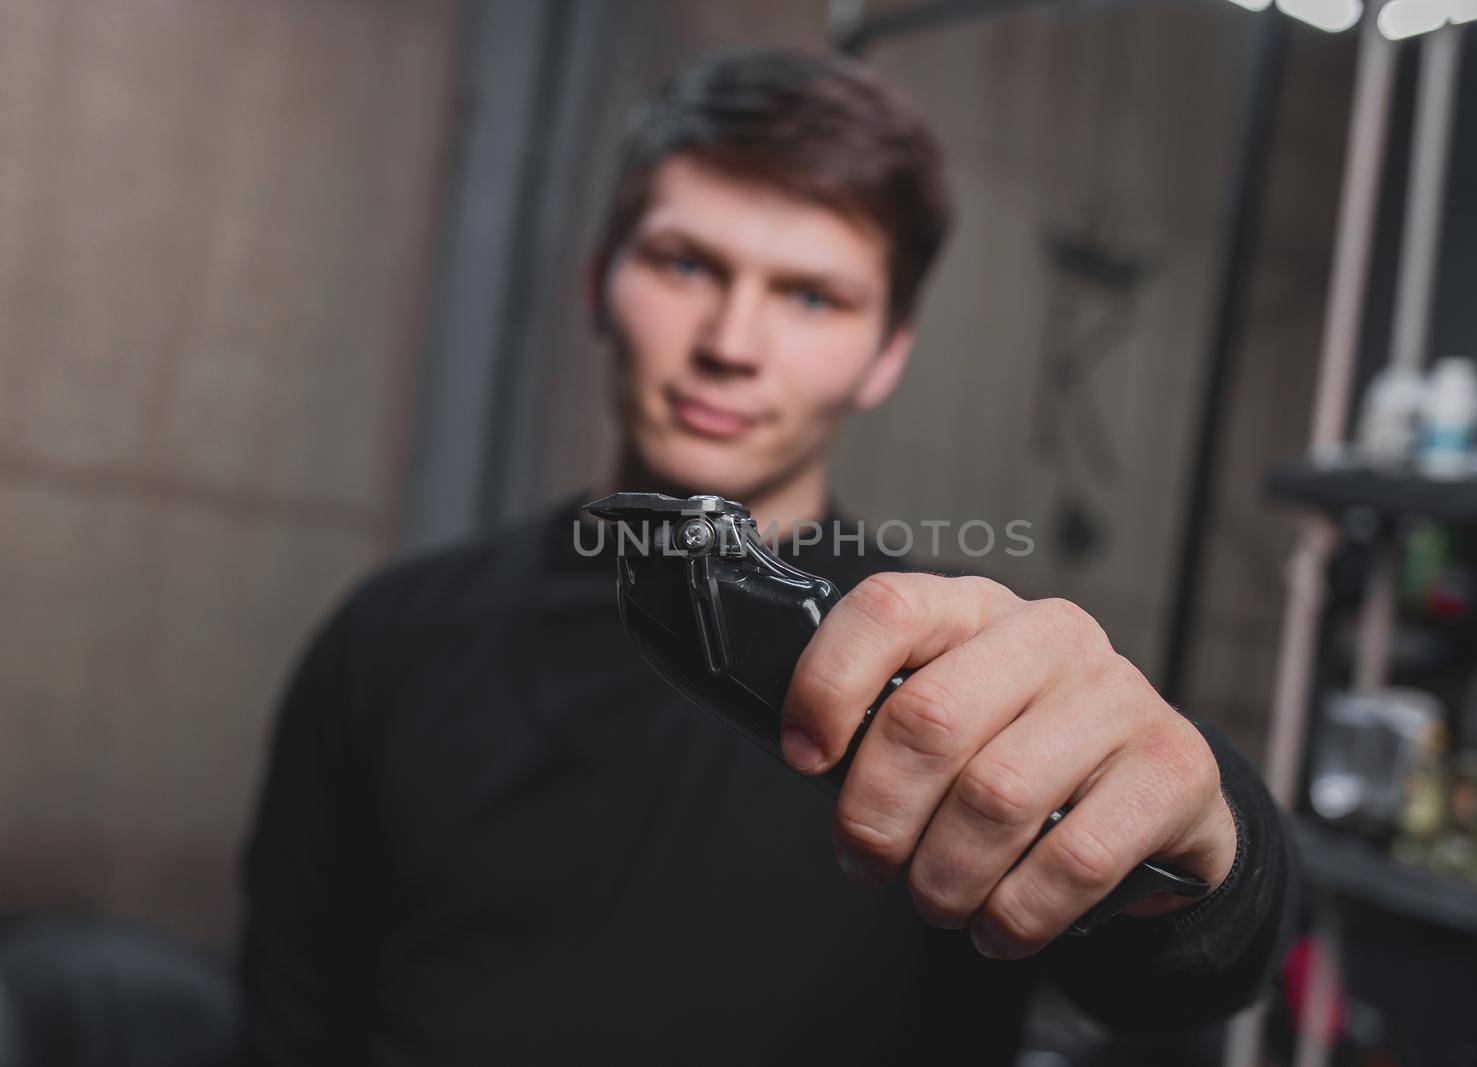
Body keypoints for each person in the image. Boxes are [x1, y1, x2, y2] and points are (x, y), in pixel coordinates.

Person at [238, 47, 1296, 1065]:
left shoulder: (955, 681)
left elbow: (1185, 967)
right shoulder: (392, 634)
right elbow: (289, 1020)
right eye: (686, 263)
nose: (732, 342)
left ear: (886, 353)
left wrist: (1213, 835)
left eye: (810, 296)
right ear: (601, 280)